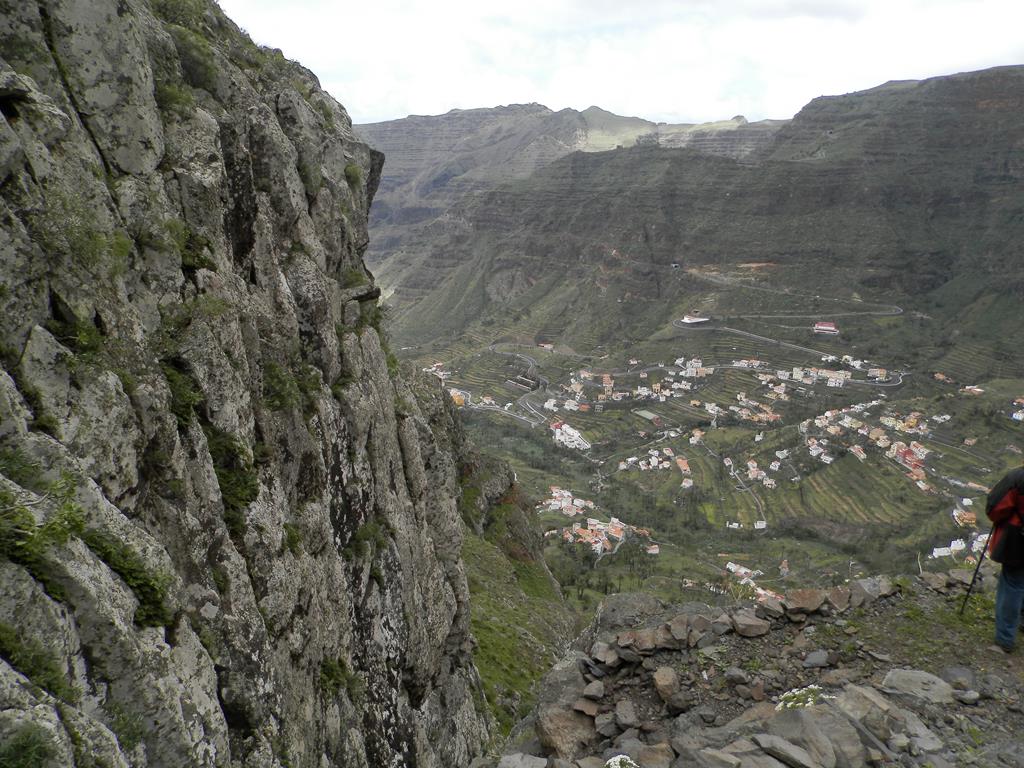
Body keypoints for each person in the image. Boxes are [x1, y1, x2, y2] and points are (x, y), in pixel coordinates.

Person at [985, 466, 1024, 652]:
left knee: (1013, 584)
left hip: (1019, 541)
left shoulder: (1018, 478)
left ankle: (1005, 638)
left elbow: (995, 507)